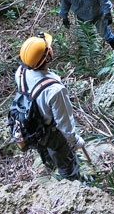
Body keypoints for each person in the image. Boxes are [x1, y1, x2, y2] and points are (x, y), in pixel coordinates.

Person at [17, 32, 84, 180]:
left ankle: (49, 164)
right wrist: (75, 141)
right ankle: (72, 183)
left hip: (32, 126)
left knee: (44, 148)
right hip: (51, 132)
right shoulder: (54, 90)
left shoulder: (21, 72)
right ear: (47, 56)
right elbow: (64, 123)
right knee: (65, 160)